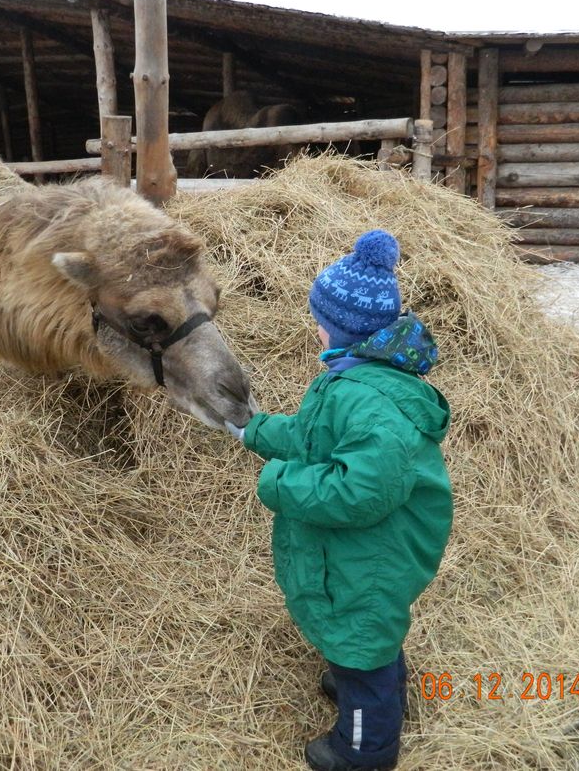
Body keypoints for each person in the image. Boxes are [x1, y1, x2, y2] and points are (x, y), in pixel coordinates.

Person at [225, 229, 453, 771]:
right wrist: (255, 430)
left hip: (372, 555)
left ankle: (363, 749)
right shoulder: (353, 378)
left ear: (345, 326)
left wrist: (278, 482)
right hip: (362, 551)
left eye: (320, 320)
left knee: (362, 635)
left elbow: (360, 490)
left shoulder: (370, 403)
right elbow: (314, 437)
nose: (316, 328)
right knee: (363, 631)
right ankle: (375, 687)